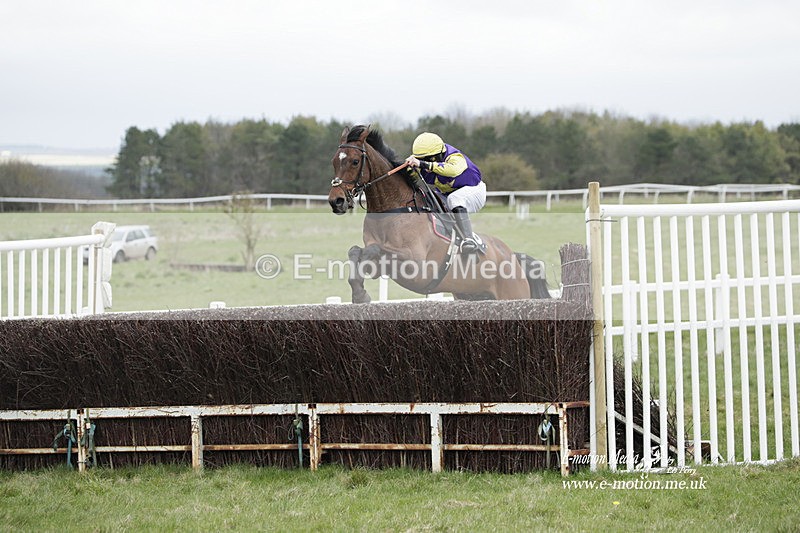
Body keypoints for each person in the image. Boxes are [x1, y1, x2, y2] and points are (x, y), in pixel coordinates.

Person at [405, 132, 486, 253]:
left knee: (454, 199)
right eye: (421, 159)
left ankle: (468, 239)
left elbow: (452, 170)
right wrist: (407, 168)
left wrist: (423, 164)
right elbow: (408, 175)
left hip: (474, 190)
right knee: (427, 201)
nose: (423, 162)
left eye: (427, 159)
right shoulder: (425, 158)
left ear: (438, 154)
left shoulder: (455, 157)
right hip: (446, 194)